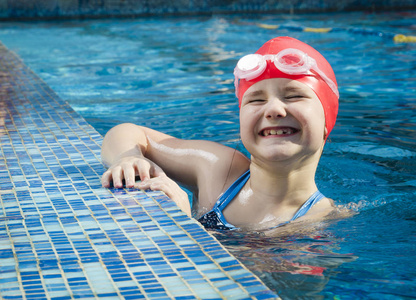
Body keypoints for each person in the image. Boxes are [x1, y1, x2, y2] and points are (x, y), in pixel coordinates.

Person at [101, 36, 339, 232]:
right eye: (256, 99)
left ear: (327, 121)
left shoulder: (319, 221)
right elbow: (126, 132)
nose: (274, 109)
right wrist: (129, 157)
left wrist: (185, 224)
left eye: (294, 96)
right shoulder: (219, 170)